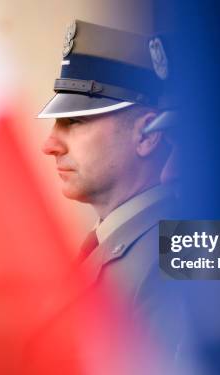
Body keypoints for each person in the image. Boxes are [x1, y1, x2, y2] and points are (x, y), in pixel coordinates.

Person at [32, 20, 188, 372]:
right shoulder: (113, 247)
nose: (49, 144)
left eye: (76, 122)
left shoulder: (172, 254)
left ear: (146, 136)